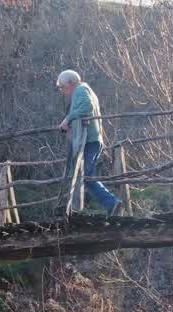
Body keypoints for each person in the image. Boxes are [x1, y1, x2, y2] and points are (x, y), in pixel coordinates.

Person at [55, 69, 121, 217]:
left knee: (84, 175)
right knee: (87, 176)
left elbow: (87, 107)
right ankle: (111, 204)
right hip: (92, 141)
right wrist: (72, 122)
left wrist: (68, 119)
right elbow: (85, 112)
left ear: (70, 83)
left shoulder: (80, 90)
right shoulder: (83, 90)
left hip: (90, 142)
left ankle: (111, 203)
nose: (61, 91)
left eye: (62, 87)